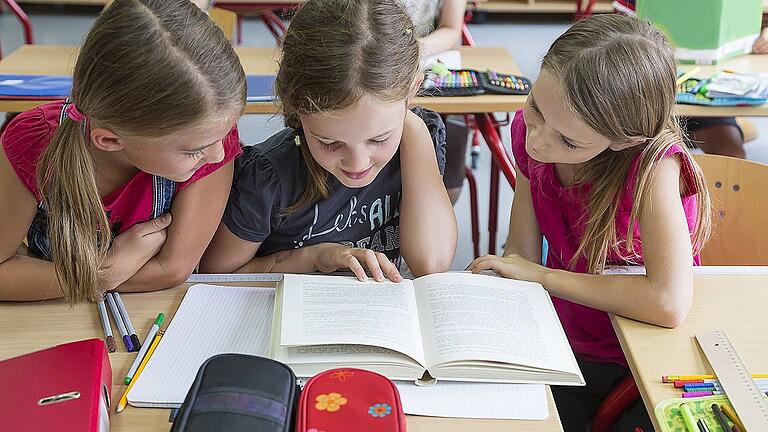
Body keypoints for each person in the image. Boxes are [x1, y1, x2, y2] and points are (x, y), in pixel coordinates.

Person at [468, 15, 711, 430]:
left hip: (640, 355)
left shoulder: (652, 170)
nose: (537, 140)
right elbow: (521, 256)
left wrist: (541, 276)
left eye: (568, 140)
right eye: (536, 107)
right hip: (566, 338)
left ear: (625, 139)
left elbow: (668, 303)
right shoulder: (536, 135)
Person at [0, 0, 246, 302]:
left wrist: (57, 279)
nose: (219, 155)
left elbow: (171, 270)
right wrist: (106, 271)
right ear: (110, 141)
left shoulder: (210, 134)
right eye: (194, 151)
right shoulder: (32, 142)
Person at [200, 0, 457, 282]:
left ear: (412, 90)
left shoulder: (418, 138)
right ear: (296, 107)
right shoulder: (269, 178)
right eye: (330, 143)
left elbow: (431, 263)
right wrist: (314, 257)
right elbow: (217, 275)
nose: (357, 163)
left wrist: (410, 124)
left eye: (379, 139)